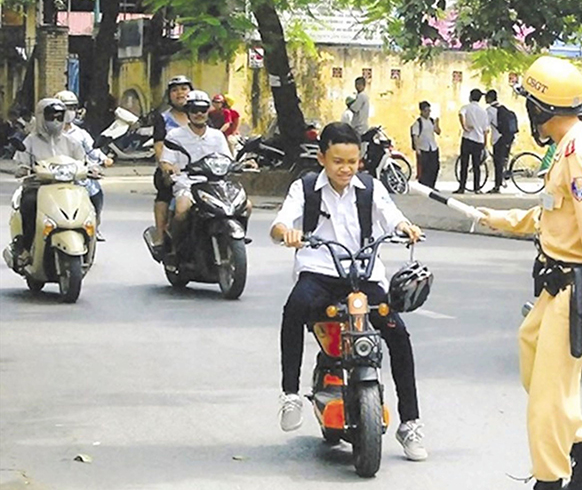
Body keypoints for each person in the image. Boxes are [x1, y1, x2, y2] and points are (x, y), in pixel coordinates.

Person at [477, 56, 582, 490]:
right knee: (532, 359)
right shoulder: (564, 150)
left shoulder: (580, 155)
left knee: (545, 400)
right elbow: (553, 215)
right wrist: (503, 220)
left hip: (575, 289)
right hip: (553, 286)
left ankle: (551, 479)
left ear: (540, 108)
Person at [270, 122, 429, 462]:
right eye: (338, 161)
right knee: (295, 308)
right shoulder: (307, 187)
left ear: (360, 160)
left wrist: (405, 227)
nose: (345, 168)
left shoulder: (371, 189)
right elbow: (280, 223)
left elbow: (392, 216)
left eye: (352, 161)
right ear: (322, 158)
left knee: (398, 334)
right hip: (321, 272)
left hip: (365, 274)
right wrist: (286, 232)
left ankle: (411, 423)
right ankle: (290, 394)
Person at [160, 91, 251, 258]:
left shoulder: (217, 136)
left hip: (216, 183)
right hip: (187, 183)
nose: (199, 114)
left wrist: (243, 164)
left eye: (203, 109)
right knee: (182, 209)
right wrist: (169, 168)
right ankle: (174, 248)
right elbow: (165, 161)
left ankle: (236, 238)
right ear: (188, 112)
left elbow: (227, 159)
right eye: (194, 110)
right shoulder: (175, 136)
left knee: (247, 206)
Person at [13, 99, 86, 260]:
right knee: (29, 204)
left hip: (68, 188)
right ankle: (26, 247)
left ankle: (88, 239)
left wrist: (92, 167)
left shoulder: (71, 142)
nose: (55, 120)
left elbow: (83, 161)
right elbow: (20, 162)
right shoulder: (30, 142)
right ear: (40, 116)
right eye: (50, 116)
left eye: (59, 117)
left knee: (89, 203)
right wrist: (23, 169)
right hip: (38, 187)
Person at [54, 90, 114, 241]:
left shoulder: (81, 134)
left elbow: (93, 150)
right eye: (66, 108)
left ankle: (95, 224)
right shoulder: (48, 132)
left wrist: (104, 159)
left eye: (73, 107)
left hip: (78, 177)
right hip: (52, 177)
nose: (70, 112)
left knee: (96, 192)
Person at [151, 75, 193, 257]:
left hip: (201, 170)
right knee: (164, 192)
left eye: (184, 89)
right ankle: (161, 236)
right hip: (175, 169)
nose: (180, 93)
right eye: (175, 90)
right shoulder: (164, 118)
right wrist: (166, 167)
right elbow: (159, 145)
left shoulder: (201, 116)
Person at [456, 88, 490, 194]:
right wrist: (485, 143)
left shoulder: (466, 107)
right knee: (476, 166)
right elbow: (486, 130)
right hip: (479, 141)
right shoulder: (483, 112)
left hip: (467, 139)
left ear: (470, 97)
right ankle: (477, 188)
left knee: (464, 164)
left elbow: (461, 114)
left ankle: (462, 187)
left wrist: (464, 127)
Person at [485, 89, 517, 193]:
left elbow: (486, 126)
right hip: (508, 137)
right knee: (502, 160)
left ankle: (497, 186)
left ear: (489, 98)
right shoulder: (502, 108)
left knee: (497, 163)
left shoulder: (490, 110)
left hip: (498, 139)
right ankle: (503, 177)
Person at [411, 101, 441, 189]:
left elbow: (438, 132)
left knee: (435, 167)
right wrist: (417, 149)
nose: (428, 113)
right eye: (426, 111)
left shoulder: (431, 121)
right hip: (423, 148)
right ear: (422, 111)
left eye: (429, 111)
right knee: (425, 169)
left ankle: (432, 185)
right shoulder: (418, 123)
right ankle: (424, 186)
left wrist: (437, 124)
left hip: (433, 147)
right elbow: (415, 136)